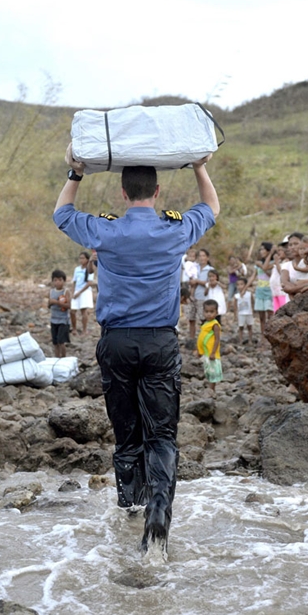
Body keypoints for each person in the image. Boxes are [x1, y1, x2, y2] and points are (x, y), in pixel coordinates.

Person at [54, 145, 219, 556]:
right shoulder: (175, 229)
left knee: (127, 434)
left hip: (117, 343)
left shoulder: (105, 230)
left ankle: (130, 507)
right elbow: (211, 205)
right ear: (158, 191)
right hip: (160, 341)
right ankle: (159, 514)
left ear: (123, 194)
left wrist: (75, 175)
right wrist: (199, 167)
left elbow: (62, 214)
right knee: (162, 434)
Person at [196, 299, 222, 395]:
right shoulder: (205, 324)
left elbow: (217, 339)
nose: (209, 314)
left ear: (216, 312)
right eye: (206, 312)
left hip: (211, 352)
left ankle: (212, 389)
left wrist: (213, 352)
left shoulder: (215, 324)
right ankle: (210, 387)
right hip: (206, 352)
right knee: (208, 369)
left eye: (211, 312)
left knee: (213, 371)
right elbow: (202, 337)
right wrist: (199, 350)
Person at [250, 242, 273, 338]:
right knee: (261, 317)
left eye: (263, 249)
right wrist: (245, 287)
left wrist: (262, 267)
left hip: (270, 291)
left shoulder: (273, 263)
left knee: (270, 315)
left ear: (268, 251)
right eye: (260, 249)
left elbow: (271, 275)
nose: (261, 251)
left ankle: (271, 335)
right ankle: (263, 336)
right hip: (259, 291)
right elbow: (253, 276)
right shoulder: (258, 264)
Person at [188, 248, 213, 339]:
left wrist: (197, 281)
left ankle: (204, 338)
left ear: (207, 257)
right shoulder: (194, 267)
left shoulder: (210, 269)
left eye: (203, 256)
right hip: (192, 296)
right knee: (191, 318)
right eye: (200, 256)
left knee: (203, 319)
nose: (201, 258)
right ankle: (192, 338)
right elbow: (189, 279)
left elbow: (210, 283)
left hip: (203, 296)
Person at [70, 251, 94, 335]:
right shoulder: (77, 269)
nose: (81, 260)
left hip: (84, 291)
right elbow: (74, 281)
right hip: (77, 290)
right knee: (73, 311)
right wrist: (72, 292)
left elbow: (89, 283)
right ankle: (74, 329)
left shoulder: (89, 269)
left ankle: (84, 330)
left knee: (84, 311)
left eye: (83, 258)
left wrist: (79, 292)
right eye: (80, 258)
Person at [49, 269, 71, 358]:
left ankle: (63, 358)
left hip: (63, 320)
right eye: (55, 280)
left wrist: (57, 302)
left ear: (64, 281)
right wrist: (51, 302)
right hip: (53, 319)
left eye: (60, 280)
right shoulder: (51, 291)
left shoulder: (66, 291)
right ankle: (56, 358)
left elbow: (69, 305)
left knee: (61, 341)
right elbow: (49, 304)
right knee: (55, 342)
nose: (57, 282)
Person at [234, 276, 254, 344]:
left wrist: (253, 311)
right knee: (241, 327)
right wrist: (235, 315)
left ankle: (250, 340)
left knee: (250, 326)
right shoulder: (236, 296)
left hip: (249, 313)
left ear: (245, 285)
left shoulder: (249, 294)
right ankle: (240, 340)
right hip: (240, 313)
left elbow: (252, 302)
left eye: (241, 284)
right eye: (238, 284)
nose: (239, 286)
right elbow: (235, 306)